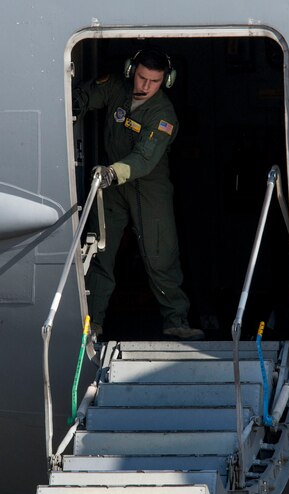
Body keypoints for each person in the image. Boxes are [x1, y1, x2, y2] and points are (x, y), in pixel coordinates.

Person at [73, 48, 204, 340]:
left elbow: (144, 159)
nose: (145, 86)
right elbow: (89, 95)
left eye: (154, 81)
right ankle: (92, 323)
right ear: (132, 70)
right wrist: (75, 105)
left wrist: (111, 173)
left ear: (165, 81)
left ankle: (175, 320)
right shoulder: (118, 87)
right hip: (112, 184)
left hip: (148, 186)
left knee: (160, 254)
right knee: (100, 251)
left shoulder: (163, 115)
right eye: (142, 77)